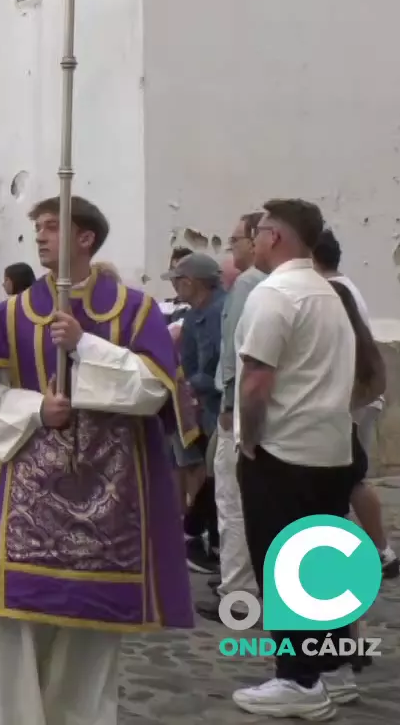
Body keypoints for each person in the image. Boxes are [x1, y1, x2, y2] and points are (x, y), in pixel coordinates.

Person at [0, 196, 195, 725]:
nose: (38, 237)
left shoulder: (134, 310)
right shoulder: (12, 313)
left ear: (85, 239)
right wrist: (38, 408)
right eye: (36, 228)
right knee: (3, 618)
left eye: (52, 228)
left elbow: (156, 389)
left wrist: (87, 346)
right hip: (23, 498)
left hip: (108, 502)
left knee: (90, 629)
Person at [230, 199, 361, 717]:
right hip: (330, 448)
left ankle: (299, 681)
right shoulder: (329, 293)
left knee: (283, 567)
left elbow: (257, 379)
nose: (252, 240)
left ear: (275, 237)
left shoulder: (276, 294)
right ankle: (336, 666)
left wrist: (247, 439)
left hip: (283, 451)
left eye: (257, 231)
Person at [314, 228, 400, 579]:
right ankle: (377, 552)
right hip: (350, 400)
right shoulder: (342, 287)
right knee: (347, 479)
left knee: (347, 479)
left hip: (348, 403)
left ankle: (378, 552)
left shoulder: (335, 291)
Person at [211, 212, 269, 611]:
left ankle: (237, 593)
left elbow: (236, 351)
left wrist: (229, 404)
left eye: (234, 241)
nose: (231, 249)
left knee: (232, 501)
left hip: (236, 408)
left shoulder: (249, 283)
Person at [165, 252, 227, 596]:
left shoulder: (220, 311)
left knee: (214, 475)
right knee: (205, 472)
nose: (175, 288)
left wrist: (191, 386)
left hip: (218, 407)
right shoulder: (195, 316)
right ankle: (205, 538)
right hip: (203, 408)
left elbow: (218, 365)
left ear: (191, 282)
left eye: (177, 280)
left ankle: (197, 533)